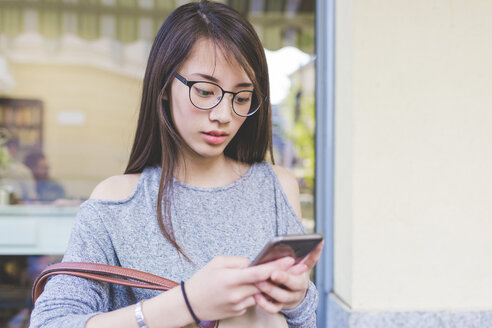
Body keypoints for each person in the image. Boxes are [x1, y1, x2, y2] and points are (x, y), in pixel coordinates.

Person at [29, 1, 323, 327]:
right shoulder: (116, 202)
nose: (223, 115)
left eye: (241, 98)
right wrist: (188, 303)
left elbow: (303, 323)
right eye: (205, 90)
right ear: (165, 86)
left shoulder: (276, 187)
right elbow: (50, 323)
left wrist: (296, 299)